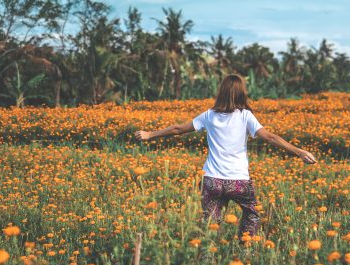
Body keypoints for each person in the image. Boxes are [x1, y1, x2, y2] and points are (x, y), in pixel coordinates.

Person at [135, 74, 316, 238]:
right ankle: (245, 249)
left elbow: (177, 129)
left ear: (221, 92)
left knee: (210, 225)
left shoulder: (209, 115)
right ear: (241, 94)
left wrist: (150, 134)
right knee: (252, 215)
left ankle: (207, 262)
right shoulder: (246, 116)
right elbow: (270, 137)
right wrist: (299, 152)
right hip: (238, 182)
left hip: (212, 180)